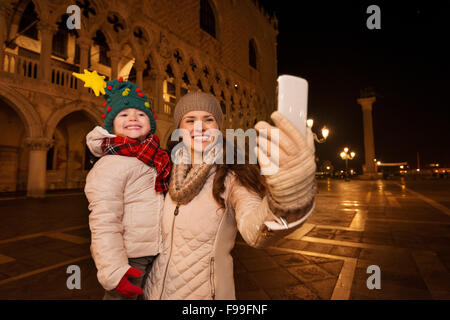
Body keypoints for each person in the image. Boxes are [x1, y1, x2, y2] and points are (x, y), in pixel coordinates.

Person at [88, 91, 317, 300]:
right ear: (179, 129)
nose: (200, 127)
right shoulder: (162, 171)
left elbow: (256, 230)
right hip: (152, 292)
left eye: (209, 119)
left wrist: (286, 200)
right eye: (190, 120)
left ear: (219, 128)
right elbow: (110, 217)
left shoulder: (231, 176)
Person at [82, 74, 170, 300]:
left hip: (156, 251)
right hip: (128, 258)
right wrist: (114, 270)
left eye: (141, 114)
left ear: (150, 123)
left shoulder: (154, 158)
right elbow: (104, 220)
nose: (133, 118)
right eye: (123, 114)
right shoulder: (109, 164)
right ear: (112, 125)